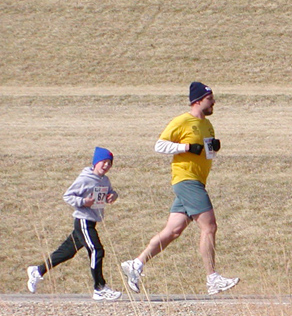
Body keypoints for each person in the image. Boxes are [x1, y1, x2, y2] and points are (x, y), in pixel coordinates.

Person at [121, 82, 238, 296]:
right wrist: (185, 147)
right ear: (198, 100)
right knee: (209, 226)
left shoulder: (208, 125)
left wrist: (213, 148)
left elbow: (205, 153)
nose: (214, 102)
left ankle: (136, 264)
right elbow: (160, 145)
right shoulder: (182, 121)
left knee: (173, 231)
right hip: (186, 179)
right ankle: (212, 278)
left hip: (198, 180)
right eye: (210, 98)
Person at [27, 147, 122, 301]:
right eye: (103, 162)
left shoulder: (105, 180)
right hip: (83, 220)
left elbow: (110, 192)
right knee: (97, 250)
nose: (106, 166)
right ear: (96, 162)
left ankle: (37, 271)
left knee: (67, 252)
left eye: (109, 163)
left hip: (92, 221)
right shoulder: (85, 178)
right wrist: (84, 202)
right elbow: (68, 196)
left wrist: (113, 196)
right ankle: (99, 288)